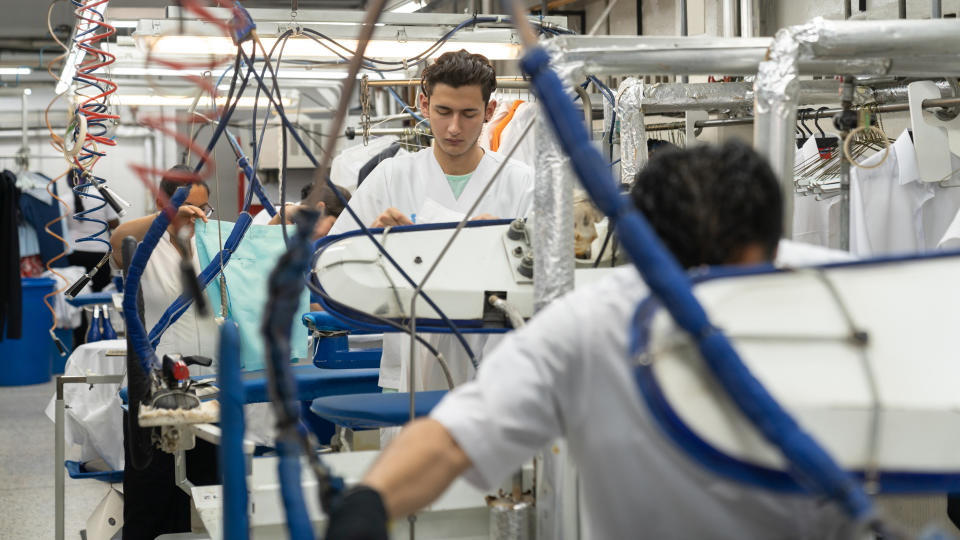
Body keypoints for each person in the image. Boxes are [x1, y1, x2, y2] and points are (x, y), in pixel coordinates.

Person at [324, 141, 853, 539]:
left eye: (731, 278)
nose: (706, 302)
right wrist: (370, 501)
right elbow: (454, 435)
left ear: (771, 249)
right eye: (688, 280)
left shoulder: (844, 298)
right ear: (646, 257)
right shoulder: (591, 325)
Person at [327, 49, 534, 396]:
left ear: (490, 111)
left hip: (502, 367)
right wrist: (373, 246)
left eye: (468, 114)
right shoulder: (391, 177)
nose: (454, 127)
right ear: (424, 105)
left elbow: (548, 282)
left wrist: (500, 248)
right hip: (412, 361)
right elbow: (332, 269)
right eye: (443, 112)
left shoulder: (521, 182)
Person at [111, 165, 220, 539]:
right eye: (187, 208)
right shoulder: (142, 244)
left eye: (203, 207)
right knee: (152, 497)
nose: (197, 216)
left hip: (210, 387)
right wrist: (166, 217)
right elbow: (118, 236)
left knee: (211, 489)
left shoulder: (210, 240)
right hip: (154, 388)